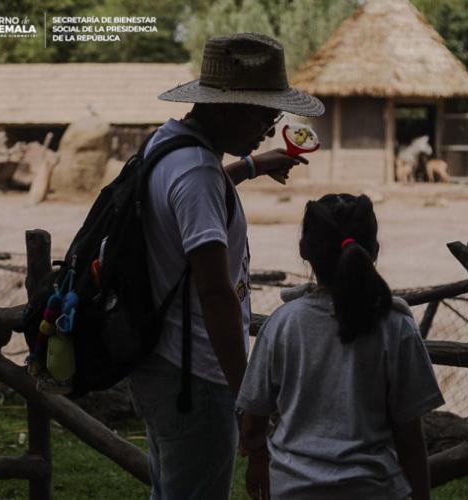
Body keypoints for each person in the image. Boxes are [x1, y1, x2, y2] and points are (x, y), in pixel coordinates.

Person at [128, 32, 324, 500]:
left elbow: (194, 194)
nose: (268, 130)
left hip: (160, 363)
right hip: (195, 375)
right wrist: (245, 396)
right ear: (227, 107)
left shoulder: (169, 143)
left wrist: (252, 166)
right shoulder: (197, 171)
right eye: (263, 116)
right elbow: (215, 293)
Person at [236, 194, 445, 500]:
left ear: (303, 249)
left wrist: (257, 456)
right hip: (374, 490)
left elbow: (253, 420)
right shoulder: (395, 326)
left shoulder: (282, 324)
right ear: (374, 250)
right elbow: (410, 438)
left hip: (293, 490)